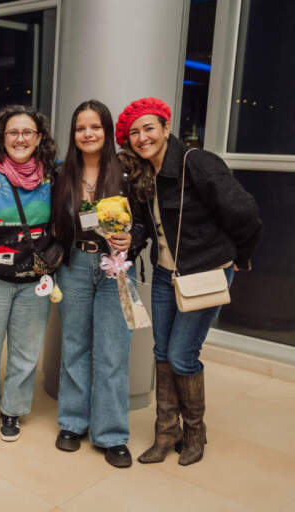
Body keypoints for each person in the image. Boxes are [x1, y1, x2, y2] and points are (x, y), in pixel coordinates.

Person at [116, 97, 262, 466]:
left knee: (182, 356)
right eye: (134, 133)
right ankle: (167, 433)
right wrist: (127, 243)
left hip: (205, 273)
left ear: (166, 128)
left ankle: (195, 432)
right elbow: (144, 226)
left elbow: (245, 213)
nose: (143, 137)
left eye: (149, 128)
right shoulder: (143, 174)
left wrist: (240, 257)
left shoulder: (197, 162)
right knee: (162, 353)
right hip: (165, 274)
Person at [51, 99, 145, 468]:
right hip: (74, 264)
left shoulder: (128, 171)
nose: (88, 133)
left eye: (95, 127)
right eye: (80, 128)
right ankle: (73, 423)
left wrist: (132, 239)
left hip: (116, 268)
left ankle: (111, 435)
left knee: (112, 352)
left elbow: (144, 224)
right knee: (74, 345)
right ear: (73, 134)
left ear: (106, 131)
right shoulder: (61, 173)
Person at [0, 105, 58, 442]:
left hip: (35, 278)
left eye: (28, 132)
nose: (20, 138)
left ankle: (12, 409)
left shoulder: (53, 176)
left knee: (26, 351)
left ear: (39, 138)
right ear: (2, 137)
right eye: (13, 132)